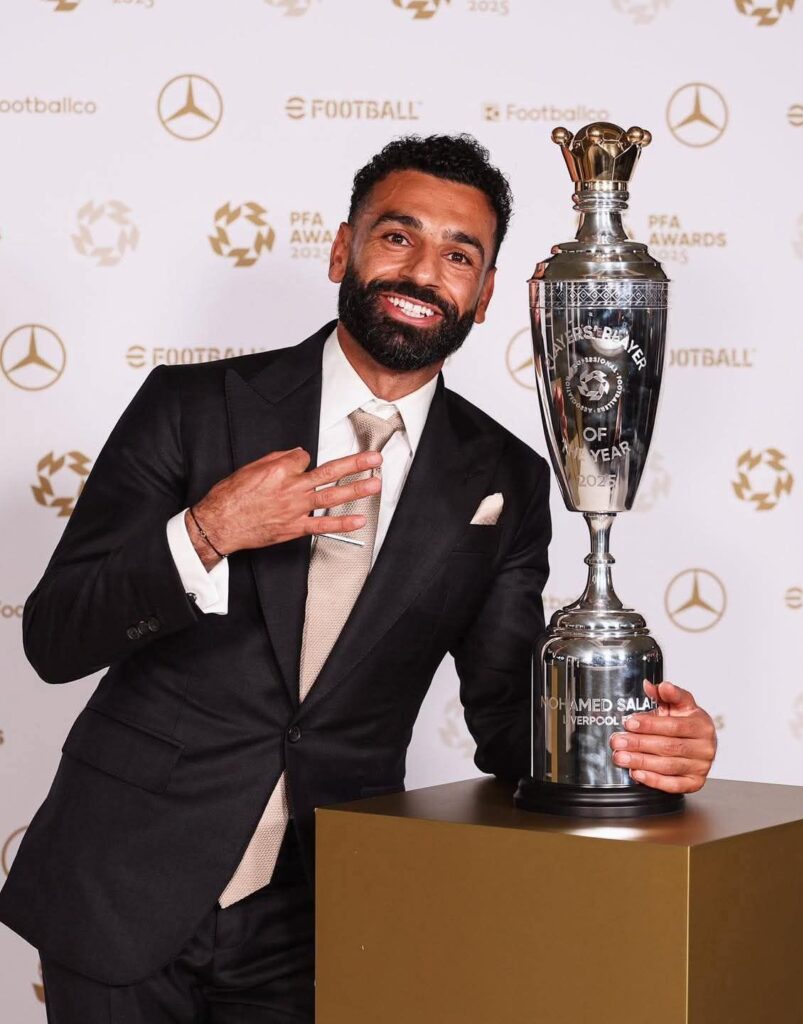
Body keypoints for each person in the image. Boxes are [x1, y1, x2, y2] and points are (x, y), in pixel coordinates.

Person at [0, 135, 717, 1022]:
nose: (422, 272)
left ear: (485, 295)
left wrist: (631, 750)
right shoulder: (192, 406)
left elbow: (504, 717)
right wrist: (210, 531)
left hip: (320, 909)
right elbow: (56, 637)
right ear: (343, 249)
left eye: (459, 256)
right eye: (397, 237)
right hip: (122, 881)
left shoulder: (507, 477)